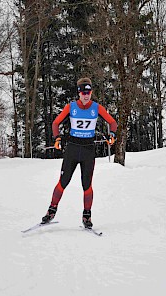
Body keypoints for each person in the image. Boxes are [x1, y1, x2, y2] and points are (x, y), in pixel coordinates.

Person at [41, 77, 117, 228]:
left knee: (87, 184)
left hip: (88, 150)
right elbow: (56, 123)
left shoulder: (96, 108)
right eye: (83, 92)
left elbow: (112, 122)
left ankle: (87, 216)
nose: (86, 95)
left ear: (91, 92)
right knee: (63, 181)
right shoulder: (71, 107)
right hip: (72, 149)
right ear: (79, 93)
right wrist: (57, 138)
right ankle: (51, 210)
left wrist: (112, 135)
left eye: (88, 92)